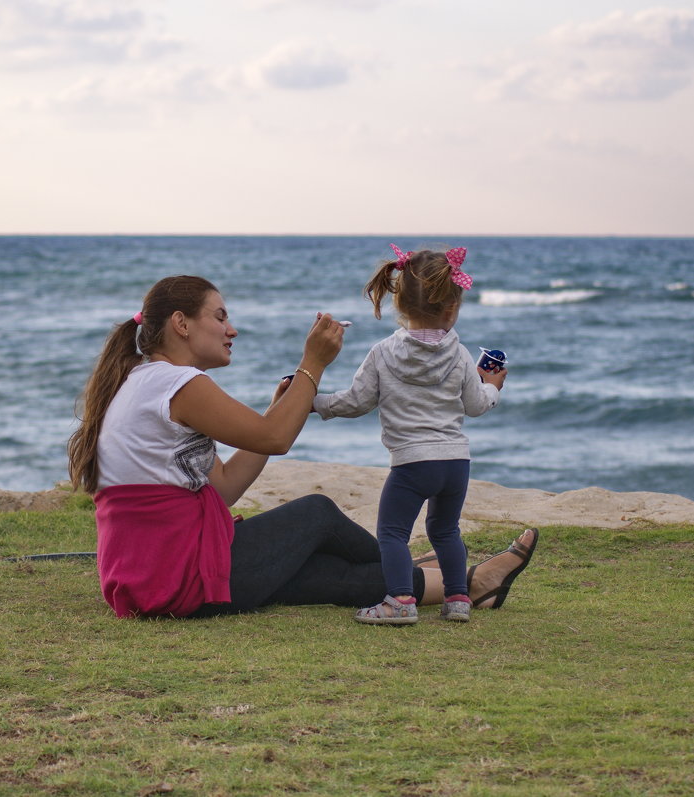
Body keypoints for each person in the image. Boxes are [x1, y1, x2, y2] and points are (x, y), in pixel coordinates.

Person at [67, 274, 538, 619]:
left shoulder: (144, 382)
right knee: (316, 512)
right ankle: (420, 570)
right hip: (175, 571)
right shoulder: (178, 383)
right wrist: (313, 363)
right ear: (181, 324)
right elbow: (275, 437)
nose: (231, 329)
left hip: (145, 577)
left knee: (322, 575)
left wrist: (281, 409)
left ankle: (471, 585)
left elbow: (226, 488)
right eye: (220, 316)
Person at [313, 245, 536, 625]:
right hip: (455, 462)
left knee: (392, 533)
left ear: (399, 303)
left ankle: (400, 600)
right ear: (452, 309)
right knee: (445, 530)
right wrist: (494, 386)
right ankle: (458, 599)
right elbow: (477, 405)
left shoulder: (383, 354)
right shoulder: (461, 354)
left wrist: (313, 401)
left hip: (413, 464)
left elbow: (355, 402)